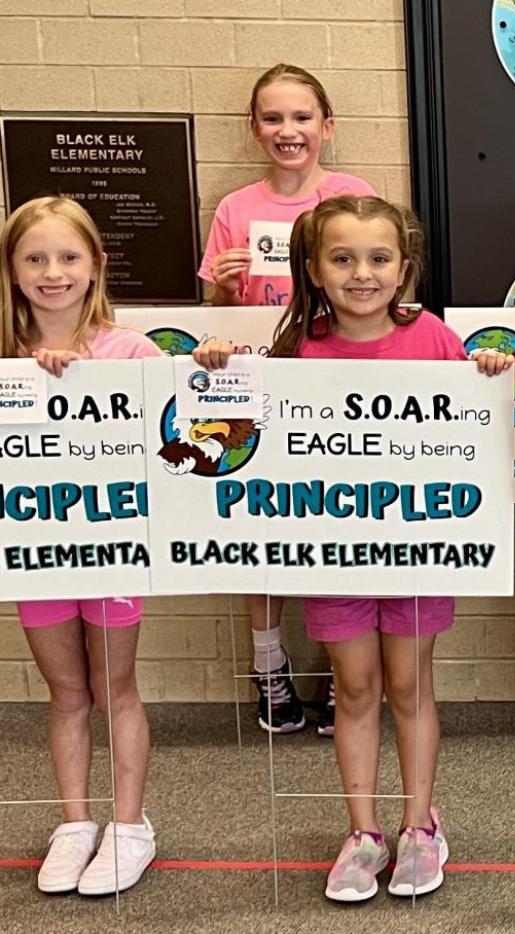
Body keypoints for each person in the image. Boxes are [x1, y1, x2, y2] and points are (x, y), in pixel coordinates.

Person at [195, 196, 514, 902]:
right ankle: (364, 833)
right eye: (342, 259)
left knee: (409, 685)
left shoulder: (432, 337)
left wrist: (487, 368)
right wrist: (217, 366)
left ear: (404, 268)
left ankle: (420, 826)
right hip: (333, 555)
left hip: (419, 548)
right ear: (312, 268)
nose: (361, 274)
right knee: (356, 689)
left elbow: (470, 426)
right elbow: (237, 425)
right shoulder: (295, 348)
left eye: (378, 259)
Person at [0, 196, 163, 896]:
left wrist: (207, 363)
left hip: (112, 548)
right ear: (11, 268)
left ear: (96, 264)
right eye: (34, 258)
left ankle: (130, 826)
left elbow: (183, 416)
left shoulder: (129, 349)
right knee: (67, 692)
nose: (52, 271)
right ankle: (74, 823)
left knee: (113, 686)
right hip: (35, 551)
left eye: (68, 256)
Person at [197, 63, 377, 737]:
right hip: (261, 388)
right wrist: (221, 285)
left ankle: (341, 674)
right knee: (265, 534)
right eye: (273, 118)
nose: (287, 130)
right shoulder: (235, 210)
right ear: (254, 130)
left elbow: (381, 286)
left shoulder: (353, 195)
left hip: (335, 383)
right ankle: (269, 668)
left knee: (339, 524)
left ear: (326, 127)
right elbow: (215, 317)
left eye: (301, 117)